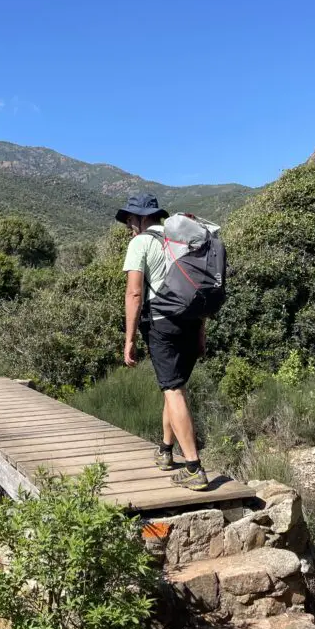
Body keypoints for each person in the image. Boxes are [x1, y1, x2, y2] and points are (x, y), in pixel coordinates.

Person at [117, 193, 209, 491]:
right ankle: (166, 451)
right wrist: (201, 333)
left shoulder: (141, 243)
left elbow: (134, 293)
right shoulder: (185, 241)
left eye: (131, 219)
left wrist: (129, 339)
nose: (129, 225)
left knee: (172, 390)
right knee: (175, 388)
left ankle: (194, 468)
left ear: (143, 219)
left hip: (162, 324)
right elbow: (199, 289)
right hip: (192, 321)